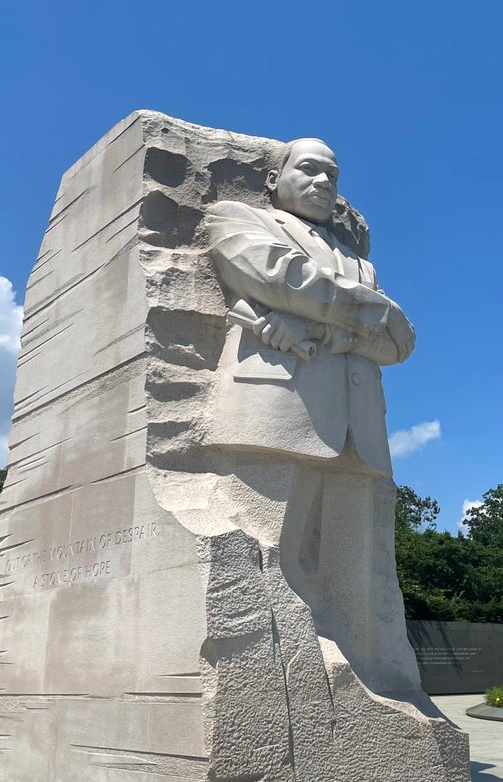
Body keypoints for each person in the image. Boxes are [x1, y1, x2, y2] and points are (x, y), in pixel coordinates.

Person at [203, 138, 420, 696]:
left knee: (359, 576)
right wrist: (369, 316)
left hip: (360, 428)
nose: (324, 182)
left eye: (333, 174)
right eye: (309, 170)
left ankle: (368, 687)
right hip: (278, 410)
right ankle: (282, 684)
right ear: (274, 179)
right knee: (265, 553)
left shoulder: (358, 264)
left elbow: (399, 343)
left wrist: (320, 326)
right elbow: (279, 275)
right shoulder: (236, 217)